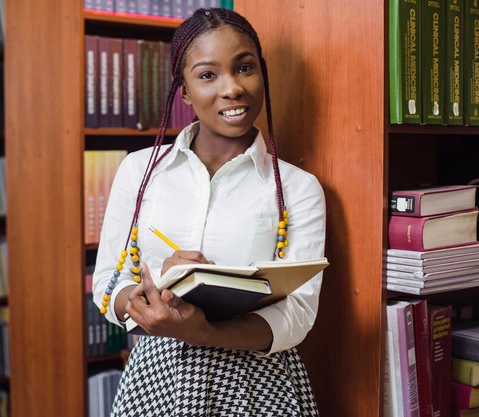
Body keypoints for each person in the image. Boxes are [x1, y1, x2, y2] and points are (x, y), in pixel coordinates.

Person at [92, 7, 326, 417]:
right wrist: (149, 297)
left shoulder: (298, 189)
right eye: (207, 75)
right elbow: (108, 286)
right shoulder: (139, 171)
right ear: (183, 91)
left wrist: (204, 332)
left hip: (259, 383)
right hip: (156, 375)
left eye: (244, 67)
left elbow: (298, 314)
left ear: (262, 74)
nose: (232, 88)